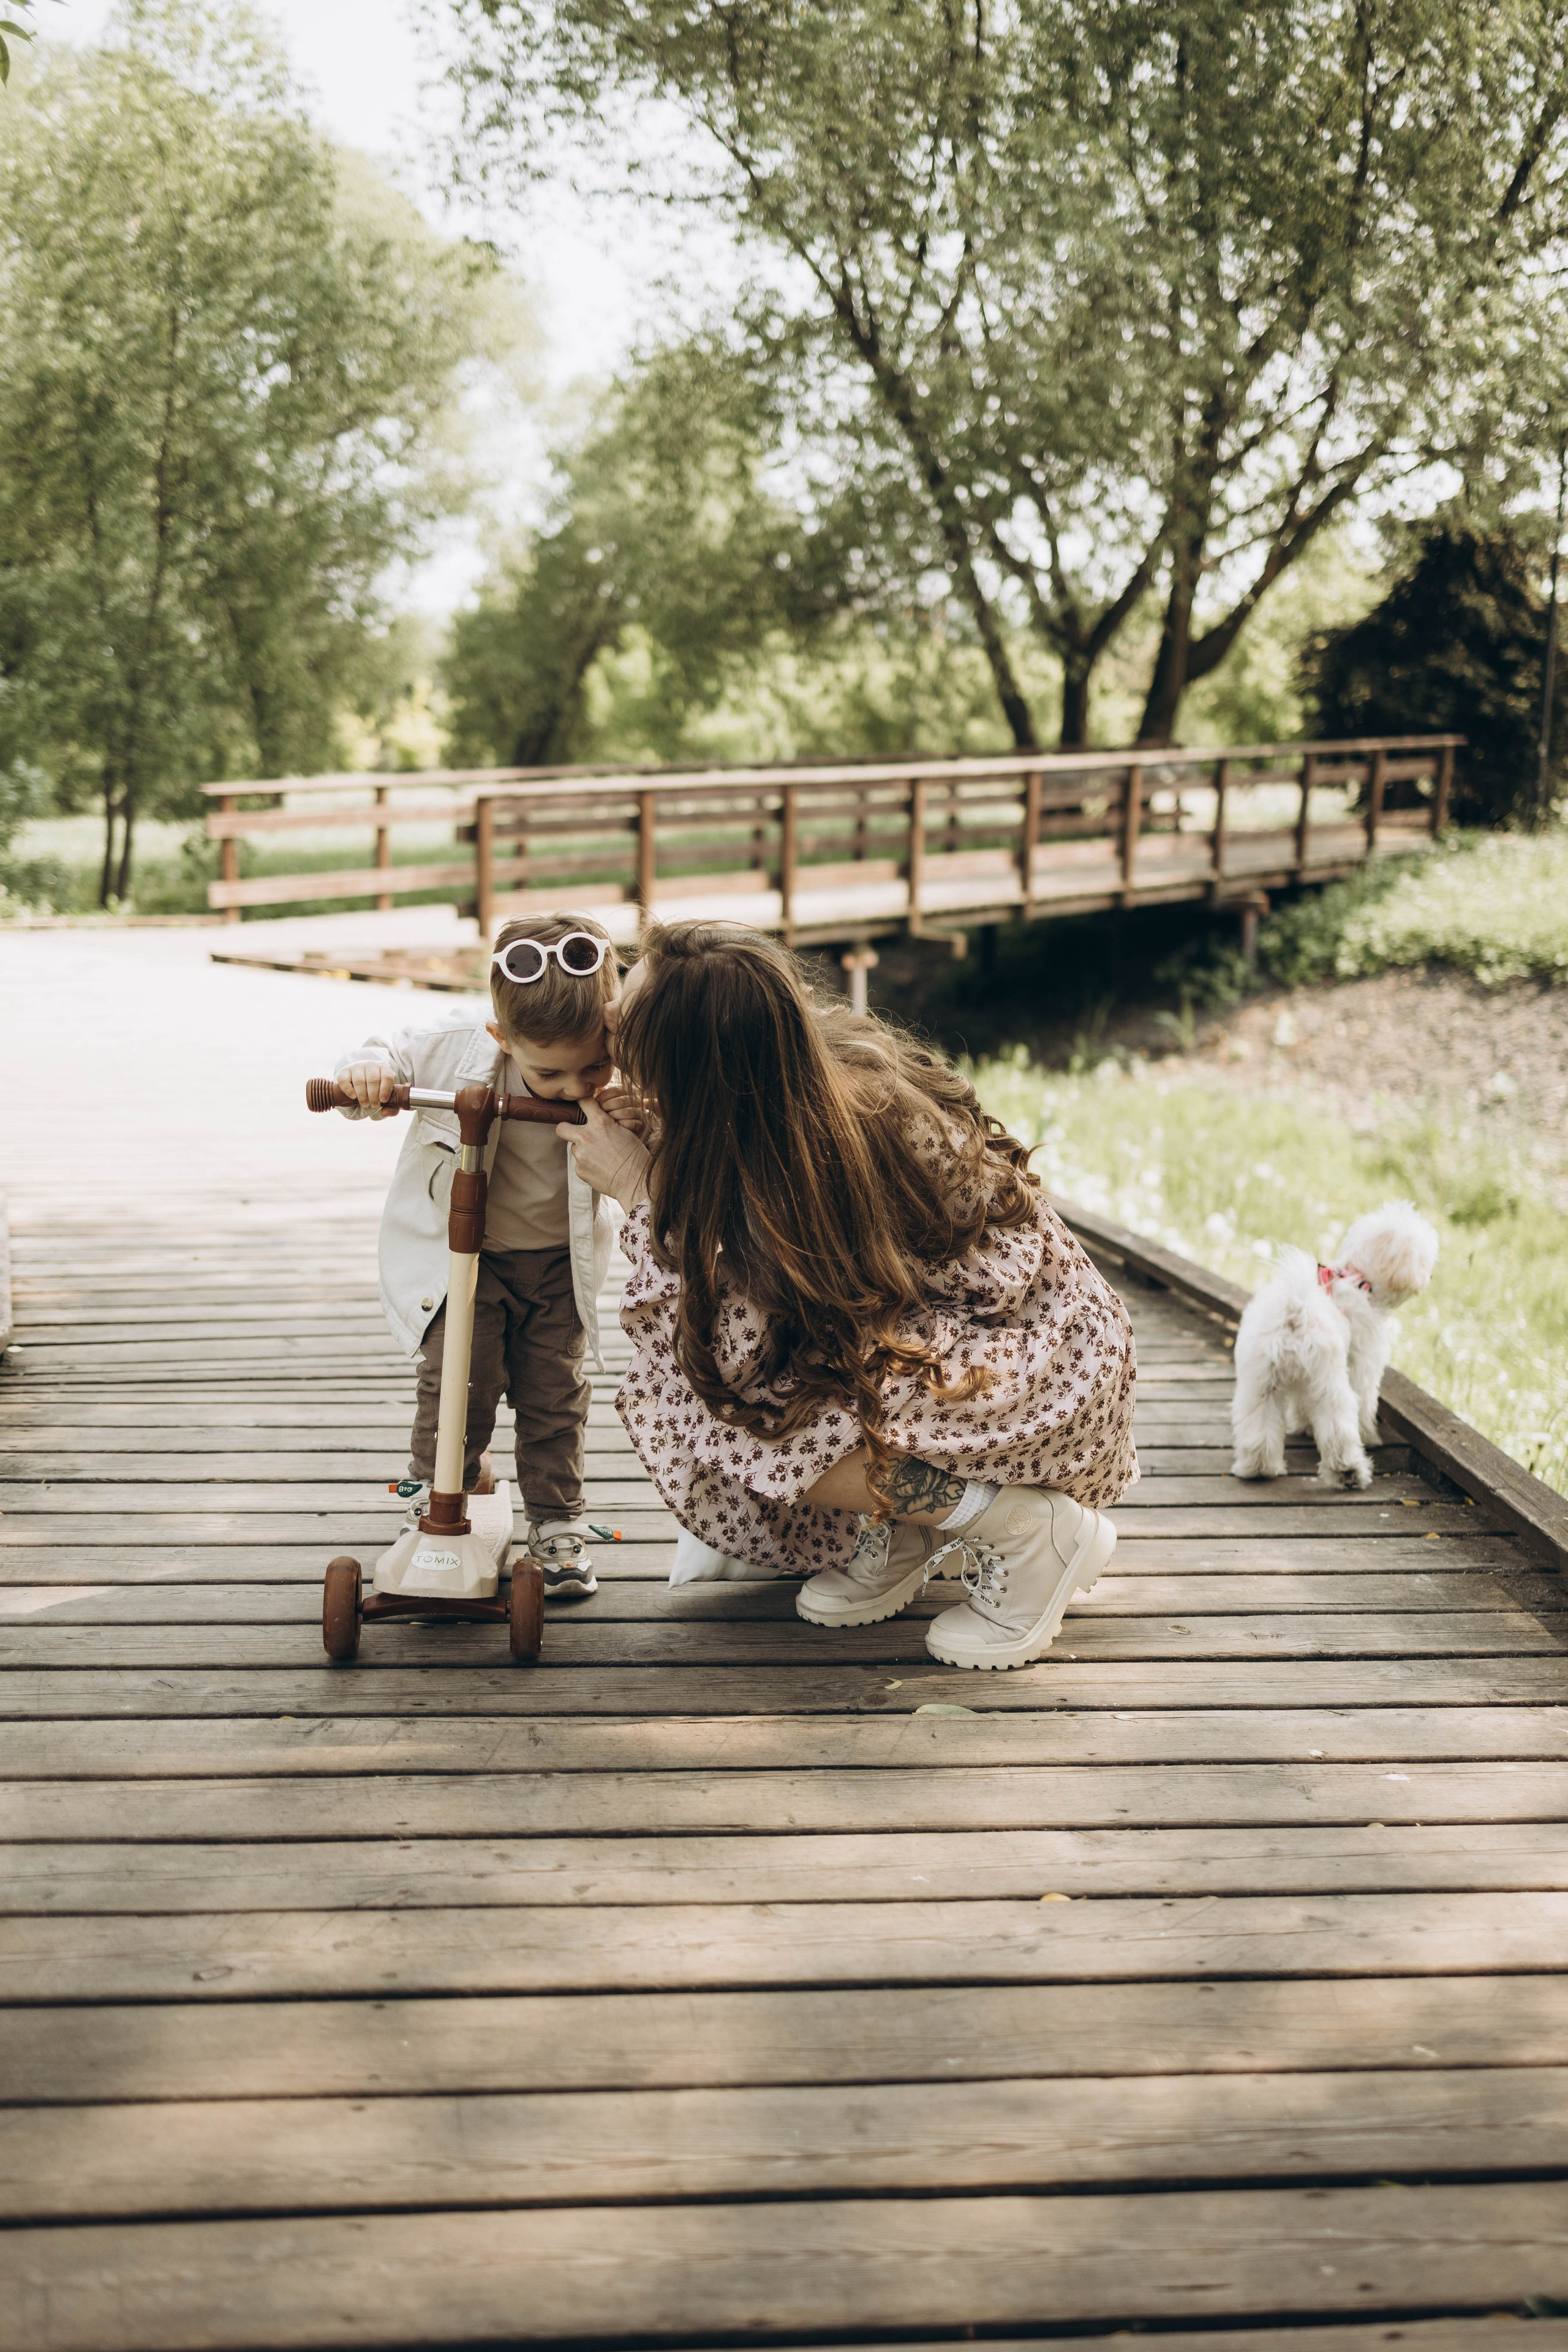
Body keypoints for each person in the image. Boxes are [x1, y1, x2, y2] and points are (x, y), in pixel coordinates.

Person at [567, 921, 1138, 1669]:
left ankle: (1022, 1529)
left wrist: (642, 1191)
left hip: (1041, 1365)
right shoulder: (780, 1091)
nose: (607, 1019)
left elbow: (736, 1349)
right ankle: (905, 1524)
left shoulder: (826, 1139)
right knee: (767, 1382)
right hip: (972, 1336)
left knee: (731, 1411)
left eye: (625, 1017)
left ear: (692, 1063)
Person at [334, 910, 620, 1600]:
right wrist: (366, 1075)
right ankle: (443, 1495)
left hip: (559, 1263)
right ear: (501, 1037)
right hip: (468, 1260)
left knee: (555, 1397)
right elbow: (380, 1058)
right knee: (458, 1382)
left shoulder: (624, 1063)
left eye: (594, 1066)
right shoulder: (457, 1048)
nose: (576, 1089)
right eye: (549, 1073)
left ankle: (556, 1523)